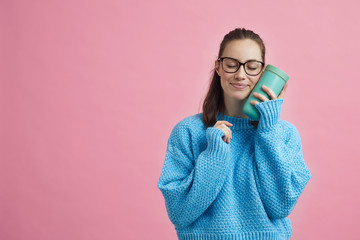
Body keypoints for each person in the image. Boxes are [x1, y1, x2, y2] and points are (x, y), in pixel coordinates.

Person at [157, 27, 311, 240]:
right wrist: (214, 154)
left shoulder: (284, 134)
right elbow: (180, 213)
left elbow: (281, 205)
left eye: (252, 67)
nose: (240, 74)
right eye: (231, 65)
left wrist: (268, 130)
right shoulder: (188, 132)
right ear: (218, 67)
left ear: (263, 72)